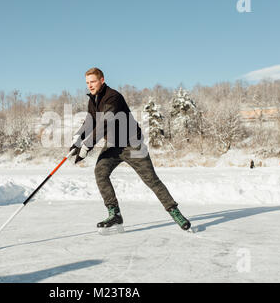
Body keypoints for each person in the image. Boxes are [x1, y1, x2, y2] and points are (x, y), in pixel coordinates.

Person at [69, 67, 191, 234]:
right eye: (87, 83)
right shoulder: (93, 99)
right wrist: (77, 139)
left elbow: (106, 122)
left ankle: (175, 211)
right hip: (113, 145)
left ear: (102, 80)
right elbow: (90, 121)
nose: (90, 85)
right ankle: (115, 214)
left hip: (132, 144)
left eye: (93, 82)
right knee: (100, 172)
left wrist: (87, 146)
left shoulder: (113, 97)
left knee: (151, 180)